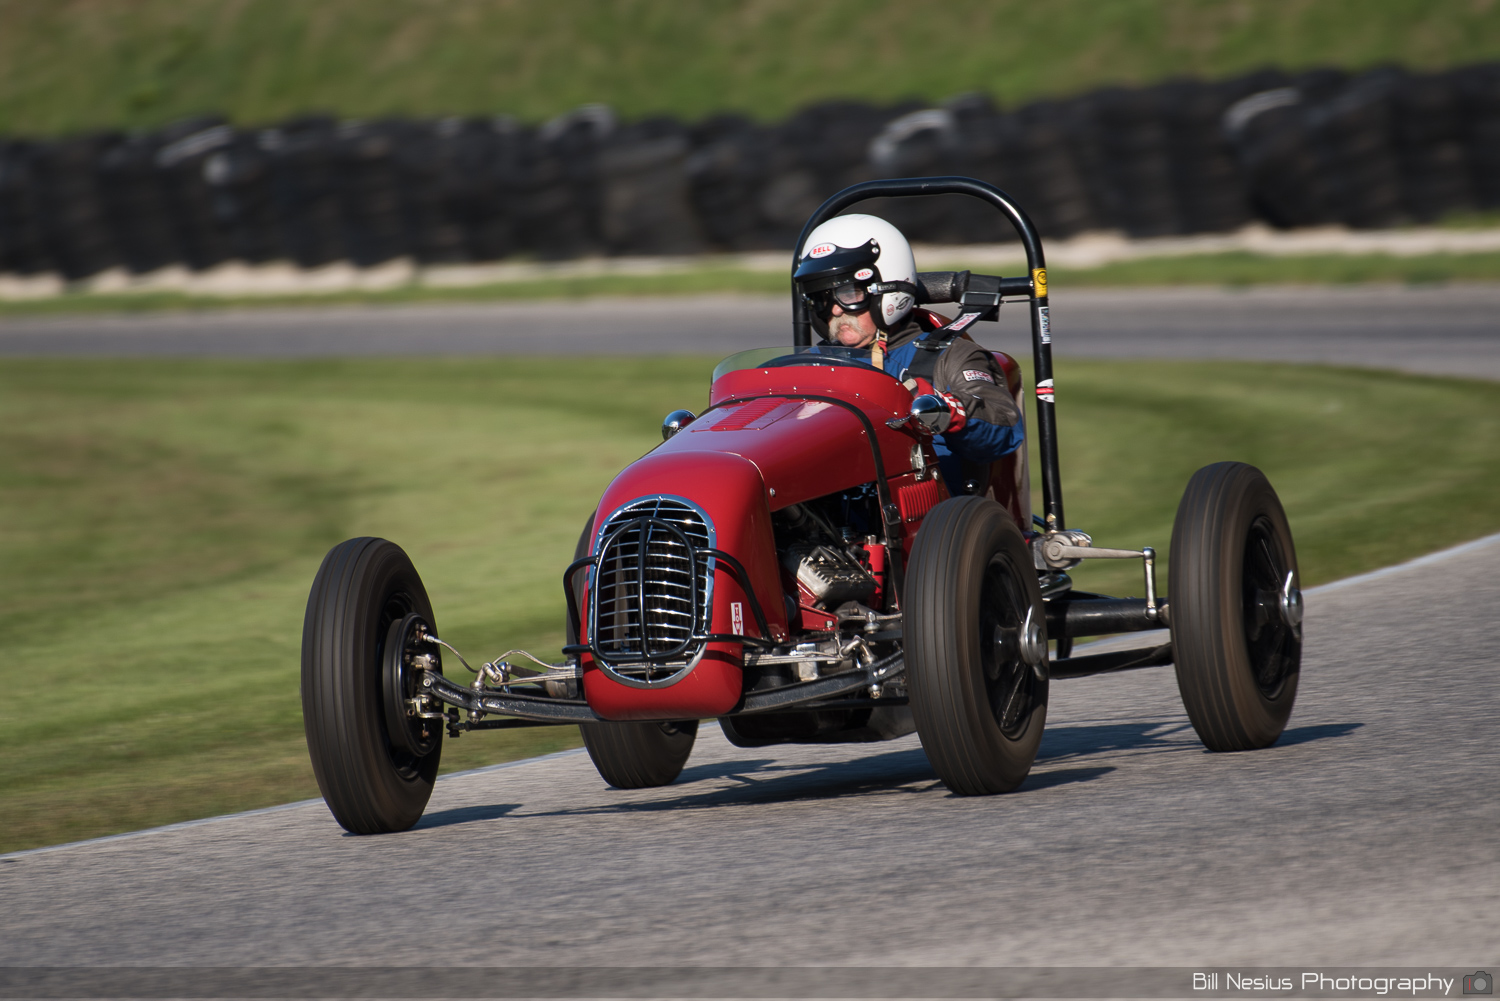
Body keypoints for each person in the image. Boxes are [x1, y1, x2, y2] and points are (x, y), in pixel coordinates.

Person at [793, 213, 1023, 493]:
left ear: (887, 290)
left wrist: (946, 410)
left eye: (849, 293)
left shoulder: (951, 356)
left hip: (929, 518)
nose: (835, 310)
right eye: (822, 298)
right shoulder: (806, 367)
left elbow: (1004, 427)